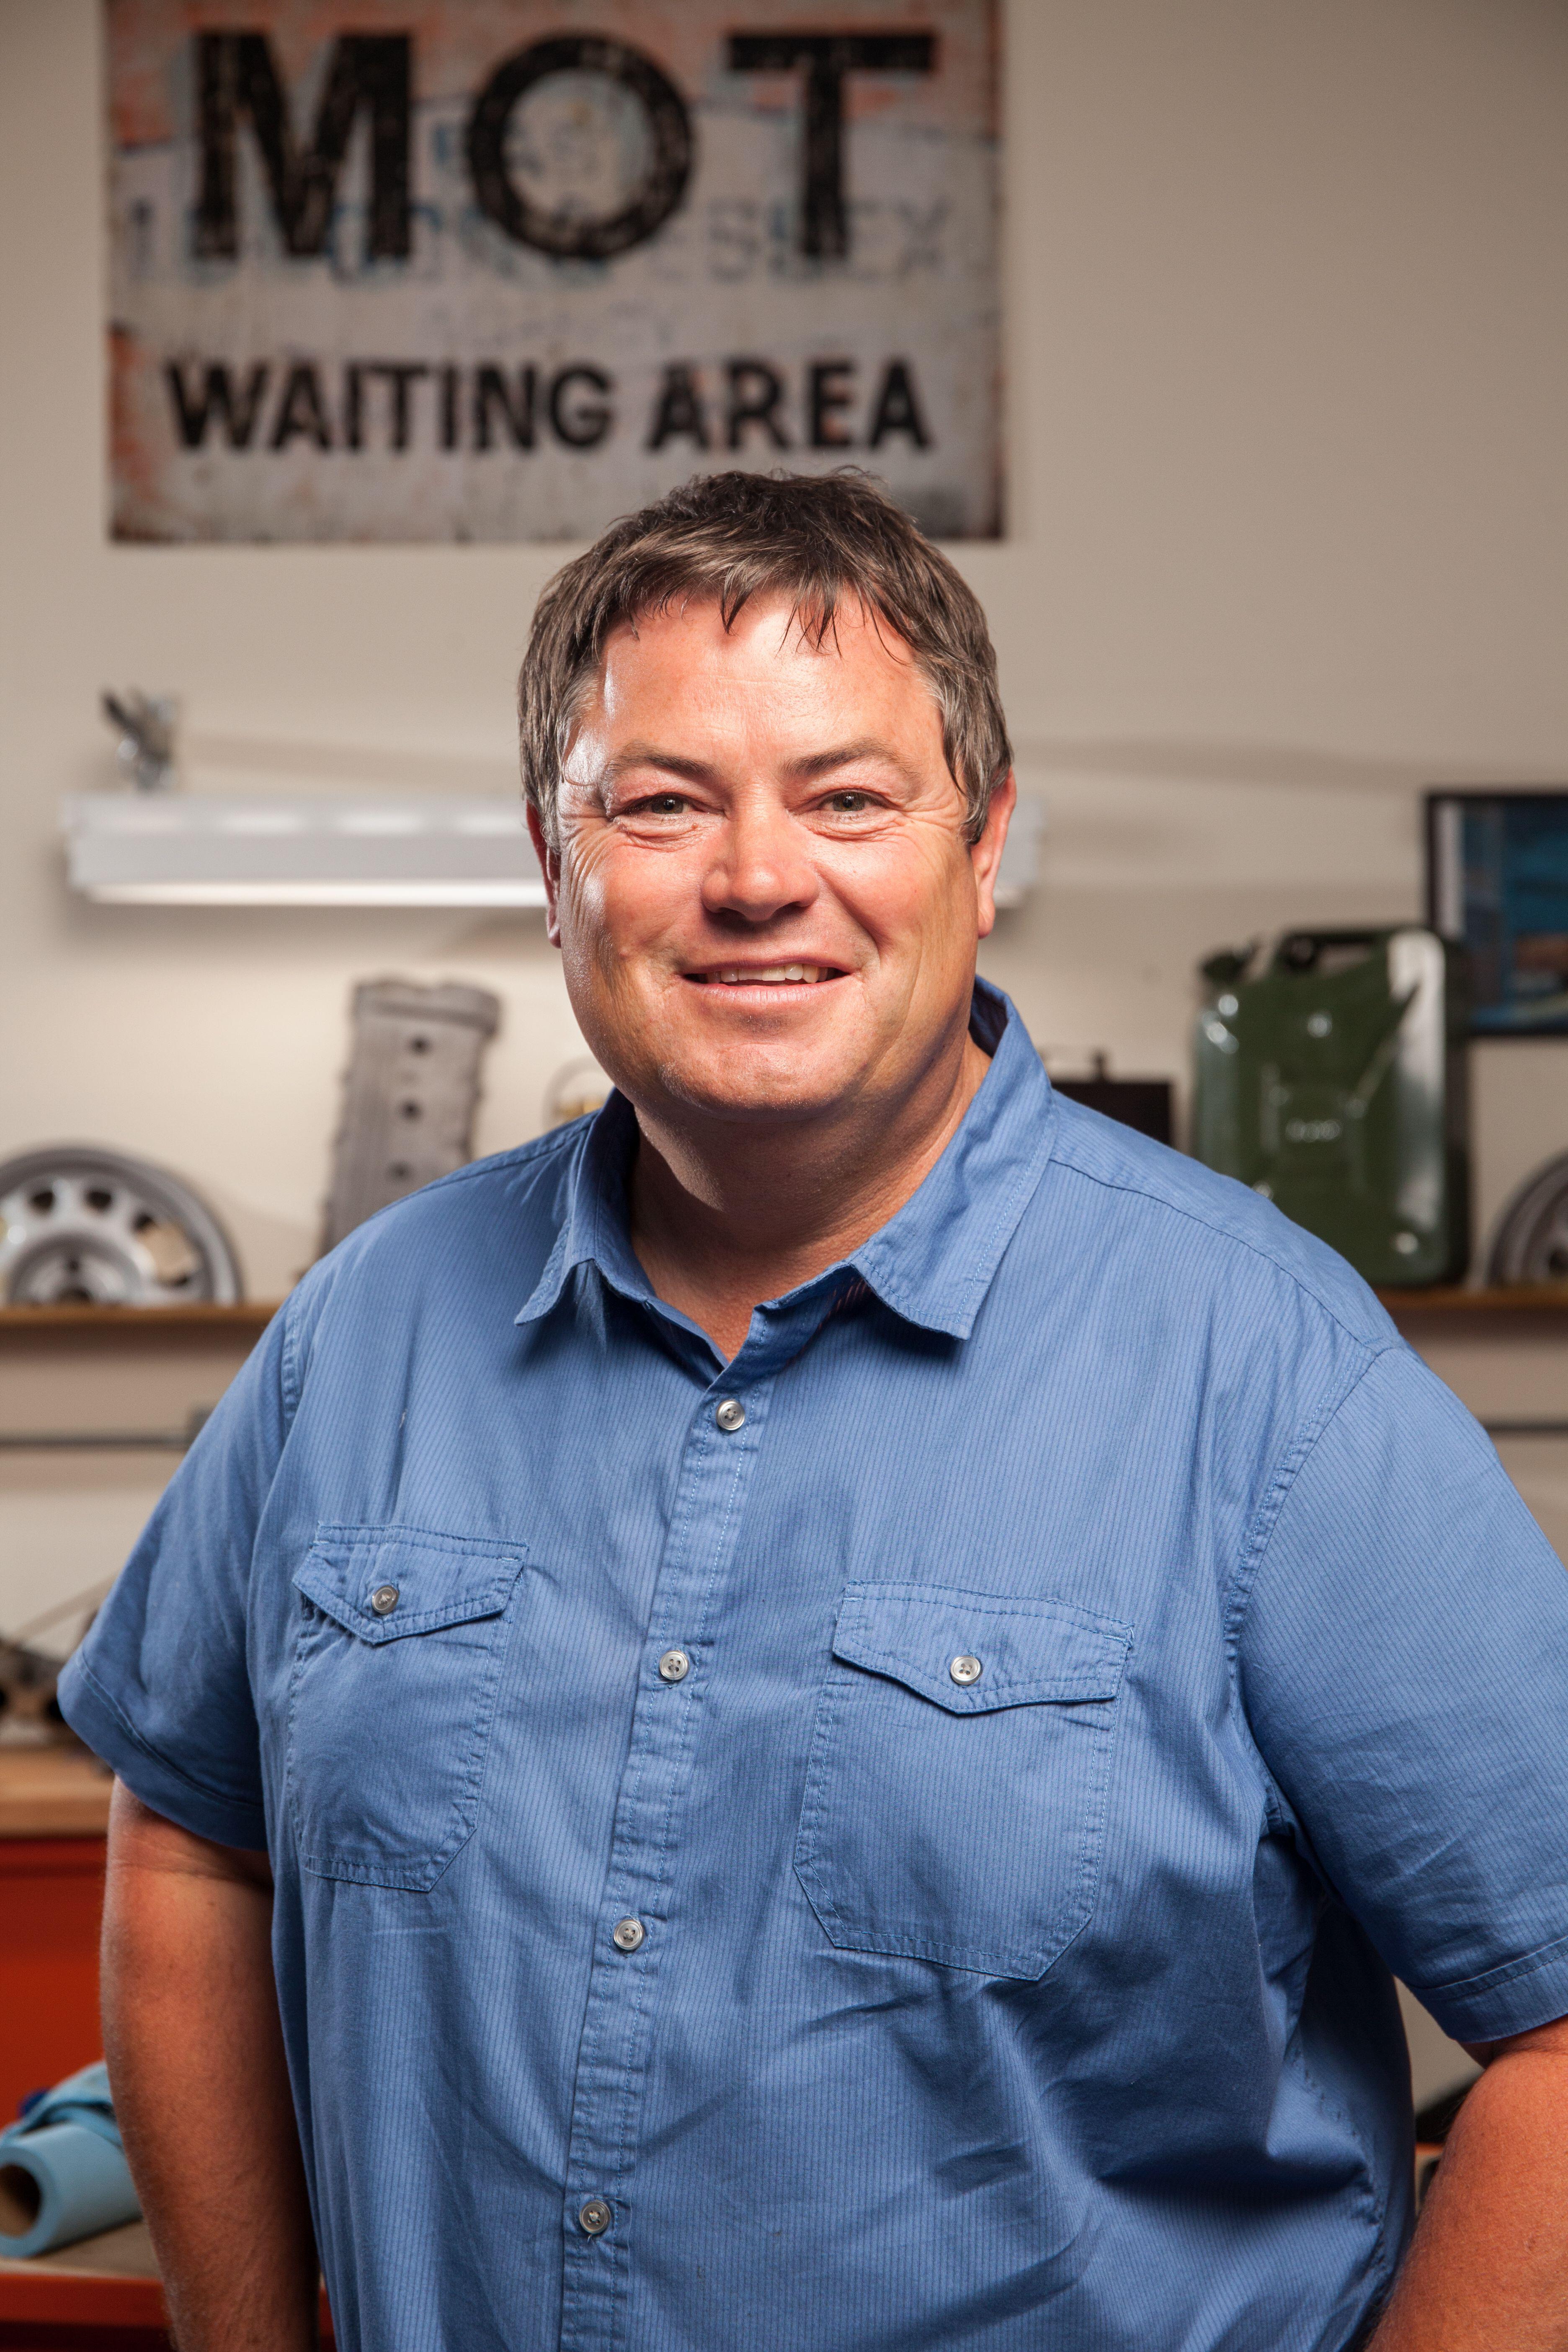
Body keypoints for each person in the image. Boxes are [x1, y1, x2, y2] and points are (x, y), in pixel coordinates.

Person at [62, 469, 1568, 2352]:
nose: (757, 876)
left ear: (984, 844)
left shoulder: (1263, 1368)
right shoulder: (365, 1334)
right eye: (664, 802)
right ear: (554, 865)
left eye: (848, 797)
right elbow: (191, 1829)